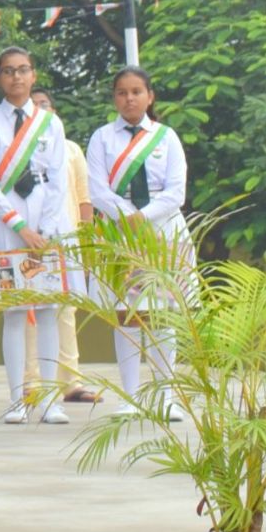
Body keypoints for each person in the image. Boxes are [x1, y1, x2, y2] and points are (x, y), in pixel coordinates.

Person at [0, 46, 74, 425]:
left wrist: (43, 228)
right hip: (6, 221)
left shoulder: (50, 124)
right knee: (13, 313)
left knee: (47, 311)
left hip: (46, 221)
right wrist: (19, 225)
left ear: (34, 75)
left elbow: (60, 179)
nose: (16, 77)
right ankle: (16, 399)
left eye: (23, 70)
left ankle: (49, 401)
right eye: (8, 71)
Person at [85, 67, 191, 422]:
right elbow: (97, 190)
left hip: (162, 231)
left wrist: (143, 218)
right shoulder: (102, 138)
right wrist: (127, 218)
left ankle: (167, 396)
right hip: (120, 232)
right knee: (127, 314)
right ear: (114, 98)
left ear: (150, 96)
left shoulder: (166, 137)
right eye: (121, 93)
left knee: (164, 315)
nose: (129, 99)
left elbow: (176, 192)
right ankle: (129, 396)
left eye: (136, 92)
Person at [31, 88, 99, 403]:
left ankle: (71, 382)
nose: (39, 109)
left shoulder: (70, 149)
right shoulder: (18, 147)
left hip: (65, 236)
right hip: (28, 237)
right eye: (33, 106)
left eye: (44, 104)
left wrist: (85, 240)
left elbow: (84, 196)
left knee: (64, 310)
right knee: (28, 309)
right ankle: (33, 383)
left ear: (54, 109)